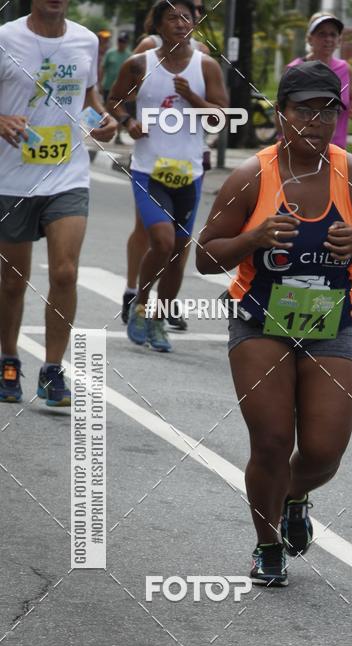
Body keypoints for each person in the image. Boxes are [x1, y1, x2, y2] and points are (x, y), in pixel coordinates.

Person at [196, 61, 352, 586]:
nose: (317, 120)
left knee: (325, 452)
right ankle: (267, 545)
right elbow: (205, 257)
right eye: (305, 108)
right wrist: (252, 238)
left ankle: (292, 496)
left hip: (331, 325)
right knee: (271, 440)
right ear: (281, 114)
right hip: (259, 320)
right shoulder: (250, 177)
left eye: (329, 110)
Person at [0, 0, 116, 406]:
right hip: (11, 179)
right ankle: (8, 360)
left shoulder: (85, 41)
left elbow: (87, 96)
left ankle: (52, 370)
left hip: (67, 175)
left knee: (65, 273)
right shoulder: (5, 38)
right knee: (13, 281)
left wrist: (102, 118)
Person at [108, 0, 227, 352]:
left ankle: (160, 317)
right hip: (149, 170)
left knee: (178, 250)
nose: (180, 23)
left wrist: (193, 97)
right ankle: (142, 304)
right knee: (160, 240)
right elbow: (114, 100)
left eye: (186, 18)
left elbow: (221, 115)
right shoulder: (139, 63)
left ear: (194, 25)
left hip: (189, 171)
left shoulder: (206, 67)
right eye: (172, 18)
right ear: (157, 25)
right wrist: (129, 123)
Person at [286, 11, 352, 149]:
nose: (328, 39)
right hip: (299, 151)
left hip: (336, 150)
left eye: (333, 34)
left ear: (339, 40)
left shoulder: (345, 69)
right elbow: (282, 111)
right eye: (322, 34)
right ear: (309, 39)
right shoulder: (295, 69)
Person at [100, 30, 129, 143]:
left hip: (122, 89)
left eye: (123, 41)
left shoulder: (129, 55)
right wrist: (100, 83)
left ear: (126, 43)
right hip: (108, 86)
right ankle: (103, 131)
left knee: (121, 111)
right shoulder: (110, 53)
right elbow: (103, 68)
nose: (121, 43)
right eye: (120, 41)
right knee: (106, 110)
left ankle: (118, 136)